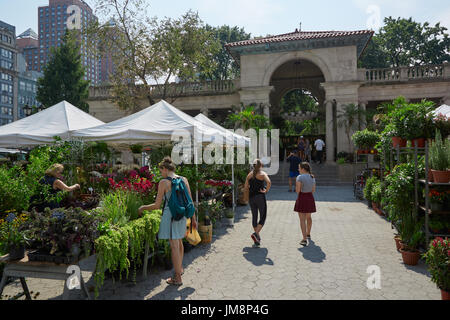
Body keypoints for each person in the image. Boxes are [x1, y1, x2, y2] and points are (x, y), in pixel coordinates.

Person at [138, 156, 197, 286]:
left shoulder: (164, 182)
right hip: (182, 215)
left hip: (170, 217)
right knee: (179, 242)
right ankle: (179, 269)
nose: (160, 173)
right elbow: (190, 201)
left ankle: (177, 278)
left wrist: (143, 207)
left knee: (174, 246)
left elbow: (157, 205)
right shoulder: (184, 179)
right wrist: (193, 218)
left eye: (161, 171)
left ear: (165, 169)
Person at [244, 159, 271, 246]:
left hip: (251, 198)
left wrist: (246, 198)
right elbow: (269, 182)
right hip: (260, 197)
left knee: (254, 216)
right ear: (260, 165)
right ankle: (256, 234)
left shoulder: (249, 175)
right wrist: (266, 191)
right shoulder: (262, 174)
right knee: (263, 216)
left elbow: (245, 187)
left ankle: (257, 238)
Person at [294, 162, 317, 246]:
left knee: (302, 219)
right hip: (310, 197)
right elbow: (313, 190)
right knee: (309, 217)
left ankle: (304, 239)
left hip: (302, 197)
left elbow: (298, 191)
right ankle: (308, 234)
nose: (298, 169)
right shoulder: (312, 177)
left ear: (303, 169)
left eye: (299, 168)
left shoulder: (299, 177)